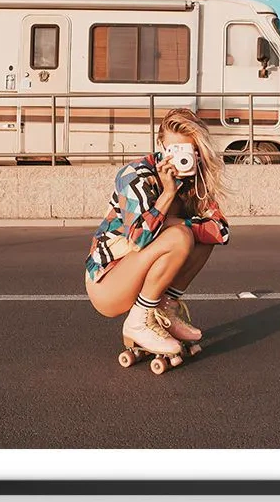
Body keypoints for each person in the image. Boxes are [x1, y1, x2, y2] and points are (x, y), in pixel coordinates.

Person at [84, 107, 230, 357]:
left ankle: (165, 309)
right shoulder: (135, 175)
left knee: (198, 239)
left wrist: (175, 223)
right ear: (161, 145)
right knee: (183, 236)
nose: (180, 158)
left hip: (141, 269)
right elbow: (139, 239)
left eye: (188, 151)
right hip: (108, 281)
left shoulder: (197, 181)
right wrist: (168, 195)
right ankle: (138, 322)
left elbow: (221, 231)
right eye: (174, 150)